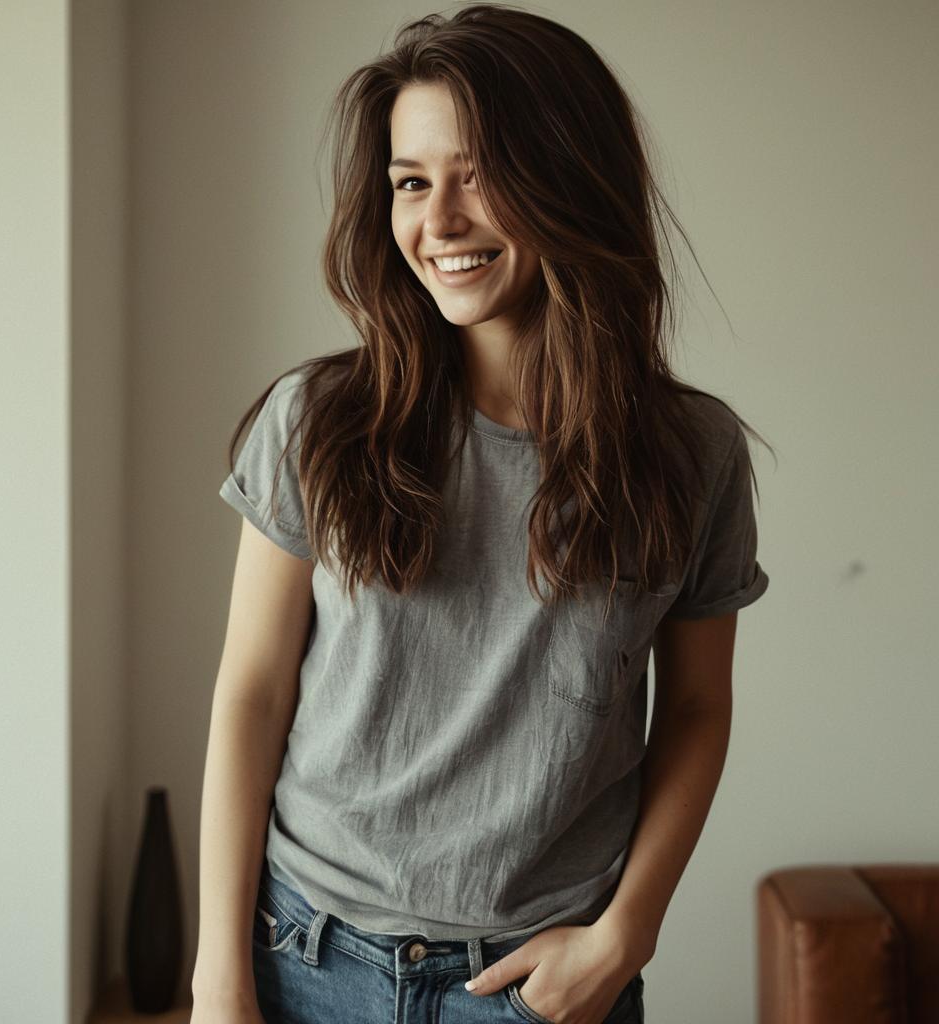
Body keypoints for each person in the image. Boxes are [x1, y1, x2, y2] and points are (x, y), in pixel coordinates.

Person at [191, 5, 771, 1023]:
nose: (439, 221)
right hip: (301, 959)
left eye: (477, 174)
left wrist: (625, 934)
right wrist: (217, 979)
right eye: (411, 182)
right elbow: (249, 692)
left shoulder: (692, 454)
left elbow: (692, 710)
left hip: (537, 987)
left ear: (567, 177)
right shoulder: (317, 419)